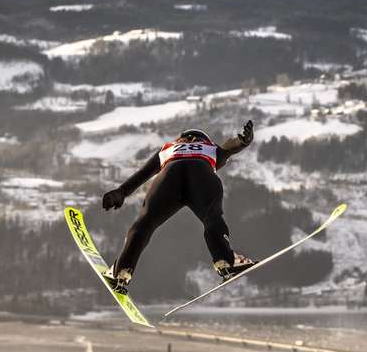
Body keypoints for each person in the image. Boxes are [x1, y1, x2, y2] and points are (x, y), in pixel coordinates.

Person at [101, 120, 256, 293]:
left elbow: (143, 174)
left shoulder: (168, 149)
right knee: (212, 218)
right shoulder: (210, 148)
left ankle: (121, 270)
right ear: (204, 139)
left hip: (169, 176)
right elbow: (229, 147)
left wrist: (121, 192)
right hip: (201, 174)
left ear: (181, 139)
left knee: (145, 222)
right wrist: (243, 141)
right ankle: (225, 260)